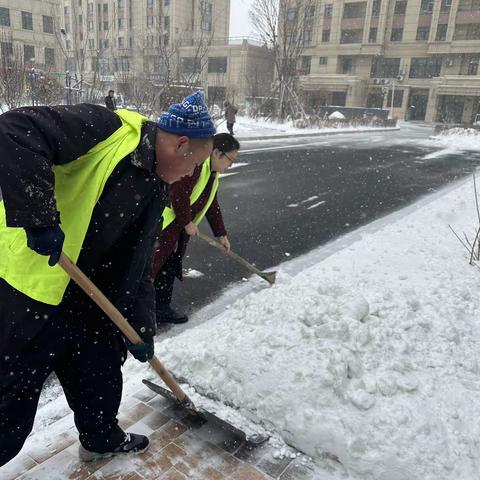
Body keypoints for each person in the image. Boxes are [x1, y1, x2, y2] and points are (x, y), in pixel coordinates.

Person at [0, 91, 215, 466]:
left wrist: (143, 328)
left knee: (100, 379)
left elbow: (140, 267)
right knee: (9, 408)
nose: (190, 174)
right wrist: (38, 216)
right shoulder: (107, 130)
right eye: (194, 164)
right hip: (37, 292)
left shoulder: (155, 188)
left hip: (90, 302)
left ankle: (101, 438)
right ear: (181, 144)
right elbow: (15, 130)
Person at [152, 133, 240, 324]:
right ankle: (132, 317)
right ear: (217, 153)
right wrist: (186, 221)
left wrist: (221, 234)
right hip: (164, 226)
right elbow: (178, 193)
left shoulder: (212, 173)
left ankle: (160, 308)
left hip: (176, 230)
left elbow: (211, 204)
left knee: (167, 267)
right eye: (230, 161)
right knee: (151, 268)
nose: (229, 166)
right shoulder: (198, 165)